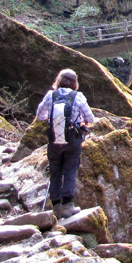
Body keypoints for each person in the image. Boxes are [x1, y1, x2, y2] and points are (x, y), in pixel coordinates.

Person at [36, 69, 94, 218]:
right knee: (69, 170)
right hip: (73, 140)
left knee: (55, 171)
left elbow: (40, 116)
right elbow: (90, 117)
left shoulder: (51, 95)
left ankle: (56, 207)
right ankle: (68, 206)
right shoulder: (78, 96)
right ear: (75, 83)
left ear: (58, 81)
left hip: (54, 140)